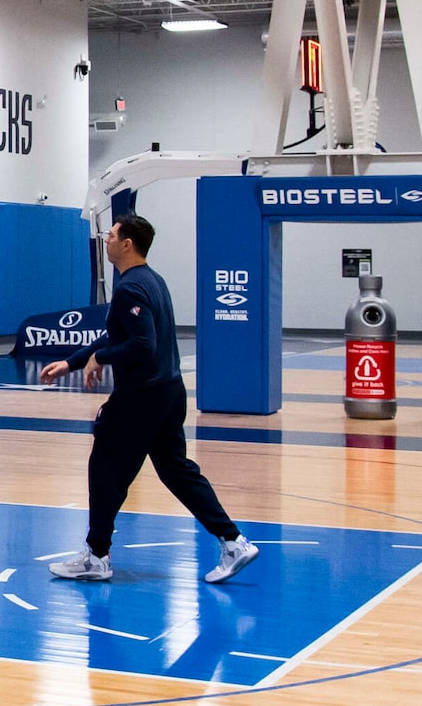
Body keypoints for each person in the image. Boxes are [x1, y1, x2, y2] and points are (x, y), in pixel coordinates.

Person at [34, 213, 256, 584]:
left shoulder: (130, 287)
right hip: (169, 392)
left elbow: (141, 344)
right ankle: (233, 541)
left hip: (141, 397)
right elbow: (116, 335)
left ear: (127, 244)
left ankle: (97, 556)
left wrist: (99, 359)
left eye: (112, 236)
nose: (106, 241)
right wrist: (71, 363)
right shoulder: (153, 281)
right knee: (177, 471)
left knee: (105, 469)